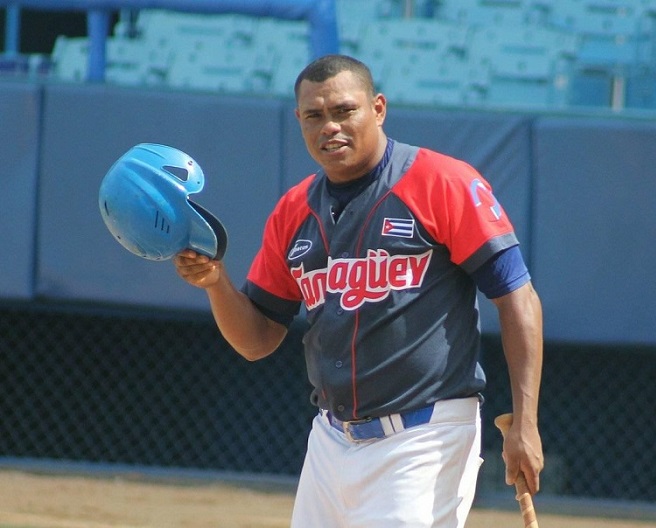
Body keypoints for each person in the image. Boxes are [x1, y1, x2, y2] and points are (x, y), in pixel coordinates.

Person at [173, 54, 543, 527]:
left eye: (344, 110)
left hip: (424, 436)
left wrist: (526, 422)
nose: (330, 126)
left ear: (378, 108)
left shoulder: (441, 182)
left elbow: (517, 296)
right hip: (331, 439)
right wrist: (216, 283)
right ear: (299, 121)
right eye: (315, 115)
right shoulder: (293, 211)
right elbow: (257, 338)